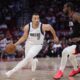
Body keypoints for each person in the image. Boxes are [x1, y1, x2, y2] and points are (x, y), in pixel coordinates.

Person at [5, 13, 59, 78]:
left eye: (38, 18)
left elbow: (50, 27)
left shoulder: (43, 26)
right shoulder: (27, 27)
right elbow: (24, 37)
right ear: (32, 19)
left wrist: (55, 37)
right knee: (29, 59)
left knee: (26, 59)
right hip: (28, 44)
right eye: (35, 18)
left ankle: (11, 72)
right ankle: (34, 61)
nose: (37, 20)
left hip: (37, 45)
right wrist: (15, 44)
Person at [53, 2, 80, 79]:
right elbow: (74, 31)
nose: (63, 9)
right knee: (71, 56)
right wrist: (68, 38)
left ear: (69, 8)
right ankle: (76, 69)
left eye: (64, 7)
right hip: (76, 43)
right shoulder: (70, 17)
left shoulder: (76, 15)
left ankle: (60, 72)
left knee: (65, 52)